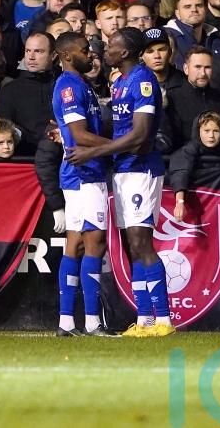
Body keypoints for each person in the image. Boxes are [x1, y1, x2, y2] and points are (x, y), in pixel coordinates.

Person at [66, 27, 174, 337]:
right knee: (131, 246)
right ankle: (144, 320)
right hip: (124, 170)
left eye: (111, 46)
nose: (104, 50)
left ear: (124, 53)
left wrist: (96, 150)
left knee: (142, 243)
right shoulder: (121, 82)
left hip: (141, 169)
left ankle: (164, 319)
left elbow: (140, 136)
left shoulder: (142, 80)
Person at [51, 31, 115, 337]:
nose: (90, 54)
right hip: (85, 172)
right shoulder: (69, 86)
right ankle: (92, 322)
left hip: (79, 171)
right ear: (66, 55)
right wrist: (121, 145)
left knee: (75, 244)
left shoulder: (80, 85)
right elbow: (79, 134)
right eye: (84, 50)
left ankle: (66, 322)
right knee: (95, 242)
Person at [0, 31, 56, 154]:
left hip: (65, 158)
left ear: (53, 55)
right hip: (25, 160)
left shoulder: (64, 85)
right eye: (28, 51)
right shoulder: (10, 90)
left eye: (38, 51)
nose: (31, 57)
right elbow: (4, 131)